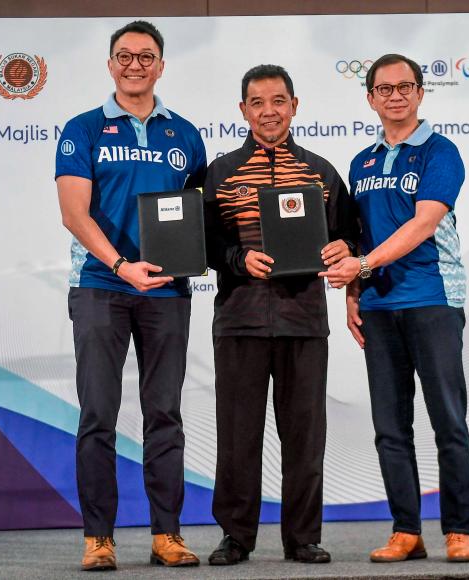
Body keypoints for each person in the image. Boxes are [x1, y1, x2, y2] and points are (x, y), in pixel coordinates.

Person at [54, 20, 207, 571]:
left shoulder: (186, 134)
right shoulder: (83, 128)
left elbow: (195, 217)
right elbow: (74, 213)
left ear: (161, 65)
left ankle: (168, 534)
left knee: (164, 414)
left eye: (146, 56)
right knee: (98, 413)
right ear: (111, 63)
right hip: (100, 288)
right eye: (124, 55)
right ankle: (99, 538)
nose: (135, 64)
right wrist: (121, 264)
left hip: (167, 291)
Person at [320, 53, 469, 564]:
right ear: (370, 98)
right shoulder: (361, 163)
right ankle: (406, 531)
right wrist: (352, 293)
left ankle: (458, 530)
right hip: (379, 305)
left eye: (404, 87)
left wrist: (361, 267)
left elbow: (422, 225)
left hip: (432, 298)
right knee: (390, 426)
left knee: (448, 420)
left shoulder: (440, 151)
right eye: (384, 89)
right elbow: (357, 237)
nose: (395, 95)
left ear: (420, 93)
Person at [203, 64, 358, 566]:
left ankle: (303, 537)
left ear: (294, 105)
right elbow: (205, 241)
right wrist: (236, 259)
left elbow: (351, 235)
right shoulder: (221, 172)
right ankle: (236, 535)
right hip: (239, 320)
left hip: (304, 321)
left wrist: (342, 248)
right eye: (257, 102)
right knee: (237, 433)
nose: (268, 111)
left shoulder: (321, 172)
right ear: (243, 110)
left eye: (278, 101)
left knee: (305, 435)